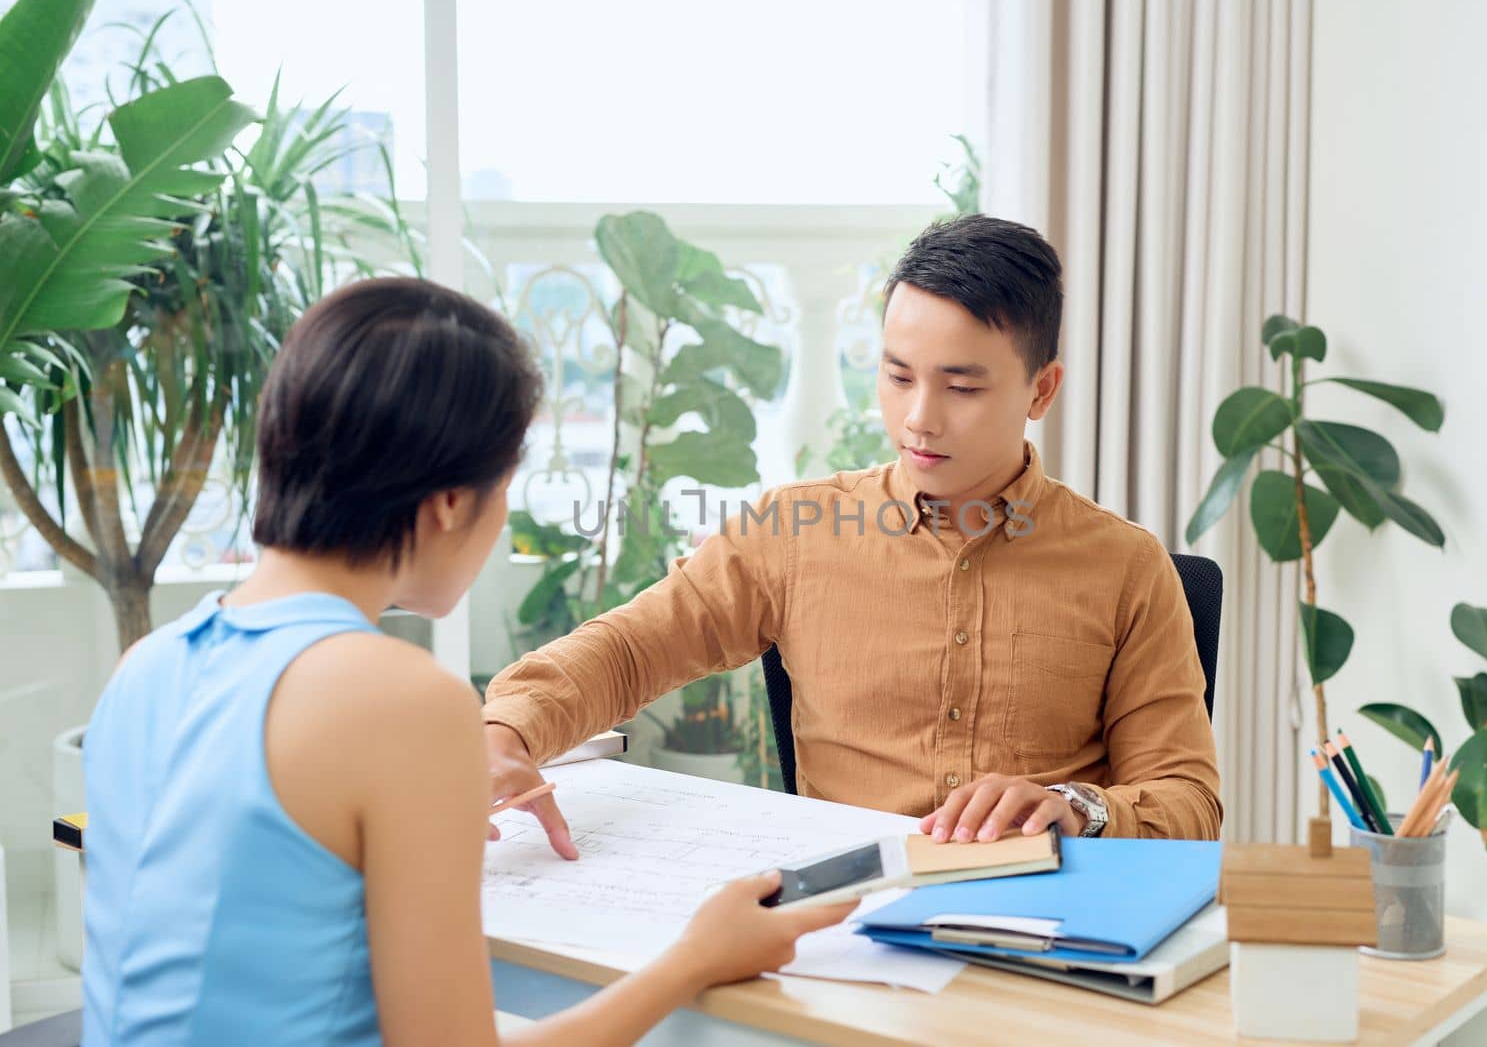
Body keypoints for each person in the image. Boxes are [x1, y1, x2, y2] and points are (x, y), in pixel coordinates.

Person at [81, 277, 854, 1047]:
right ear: (452, 502)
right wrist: (694, 960)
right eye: (505, 487)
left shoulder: (145, 667)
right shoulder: (400, 701)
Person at [484, 214, 1222, 857]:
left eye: (961, 388)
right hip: (844, 926)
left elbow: (1189, 801)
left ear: (1041, 389)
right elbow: (629, 649)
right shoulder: (794, 534)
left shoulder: (1127, 568)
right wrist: (507, 732)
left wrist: (1078, 807)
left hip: (1051, 925)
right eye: (898, 376)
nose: (919, 419)